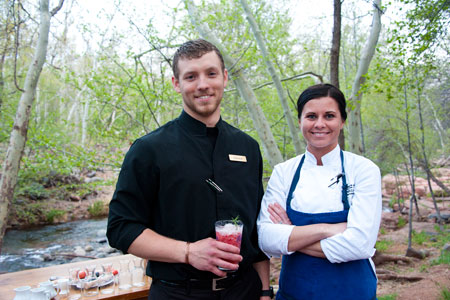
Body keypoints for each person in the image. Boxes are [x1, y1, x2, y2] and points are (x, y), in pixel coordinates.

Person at [107, 39, 272, 300]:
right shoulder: (149, 149)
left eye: (211, 73)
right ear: (177, 83)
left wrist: (265, 290)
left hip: (245, 291)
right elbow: (120, 228)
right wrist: (187, 251)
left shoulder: (248, 147)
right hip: (177, 294)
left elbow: (255, 230)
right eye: (191, 76)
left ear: (225, 78)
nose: (203, 84)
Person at [257, 83, 382, 300]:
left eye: (329, 116)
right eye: (312, 116)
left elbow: (360, 245)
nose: (320, 124)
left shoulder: (363, 170)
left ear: (342, 121)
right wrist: (326, 229)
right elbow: (266, 238)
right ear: (300, 121)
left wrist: (292, 235)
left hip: (354, 293)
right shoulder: (284, 172)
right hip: (295, 292)